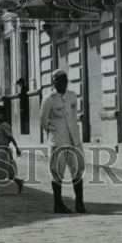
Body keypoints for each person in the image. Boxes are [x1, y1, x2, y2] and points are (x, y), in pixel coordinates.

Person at [39, 69, 86, 214]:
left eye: (65, 81)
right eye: (60, 81)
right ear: (54, 83)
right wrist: (53, 132)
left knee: (77, 170)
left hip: (74, 140)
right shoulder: (49, 99)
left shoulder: (72, 96)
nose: (63, 84)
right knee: (57, 172)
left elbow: (74, 115)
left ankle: (79, 203)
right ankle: (58, 204)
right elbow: (43, 120)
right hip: (58, 141)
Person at [0, 105, 23, 197]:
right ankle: (18, 181)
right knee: (2, 170)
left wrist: (17, 148)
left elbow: (10, 137)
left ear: (3, 115)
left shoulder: (5, 125)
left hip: (2, 150)